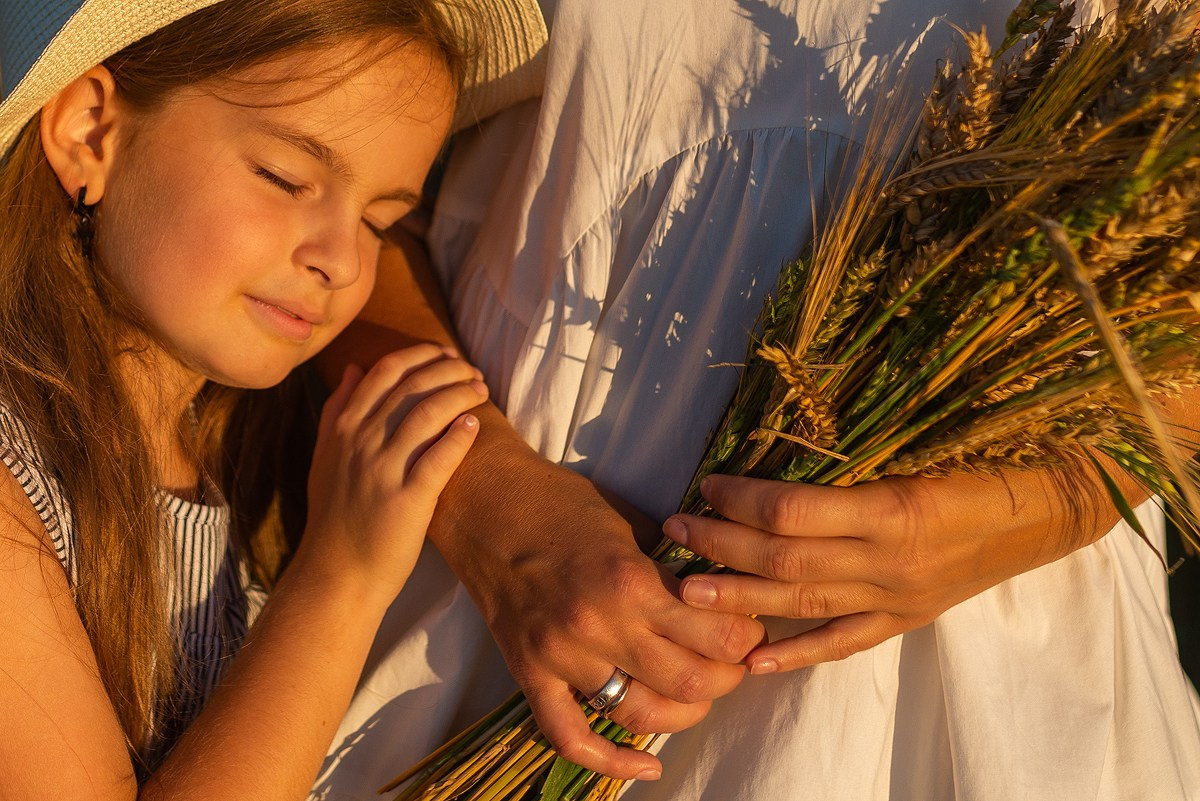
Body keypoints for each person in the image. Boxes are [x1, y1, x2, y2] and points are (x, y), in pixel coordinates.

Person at [315, 0, 1200, 799]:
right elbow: (315, 187)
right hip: (495, 563)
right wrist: (489, 499)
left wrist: (1045, 507)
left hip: (981, 658)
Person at [0, 0, 547, 796]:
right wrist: (343, 575)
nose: (341, 261)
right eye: (287, 178)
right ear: (91, 132)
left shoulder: (258, 475)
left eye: (379, 219)